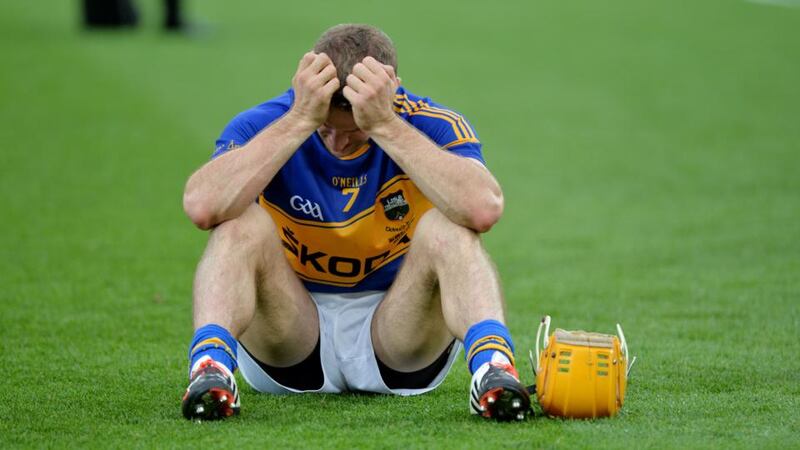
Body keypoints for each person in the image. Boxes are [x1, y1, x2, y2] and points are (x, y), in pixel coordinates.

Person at [180, 24, 530, 422]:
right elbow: (202, 206)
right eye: (325, 127)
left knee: (450, 227)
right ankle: (210, 371)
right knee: (238, 224)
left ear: (391, 91)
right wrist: (299, 120)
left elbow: (483, 208)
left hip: (400, 332)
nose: (337, 144)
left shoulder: (430, 122)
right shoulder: (273, 121)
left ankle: (494, 371)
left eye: (355, 131)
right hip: (290, 333)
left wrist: (384, 125)